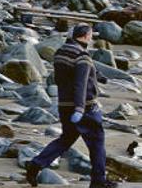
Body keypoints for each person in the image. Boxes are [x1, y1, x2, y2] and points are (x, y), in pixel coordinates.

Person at [25, 25, 117, 188]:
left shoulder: (62, 52)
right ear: (84, 37)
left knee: (66, 139)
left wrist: (99, 77)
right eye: (90, 35)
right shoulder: (82, 56)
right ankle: (98, 181)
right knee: (97, 142)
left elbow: (72, 73)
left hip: (64, 104)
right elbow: (80, 83)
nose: (91, 38)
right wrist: (80, 109)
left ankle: (35, 165)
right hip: (85, 107)